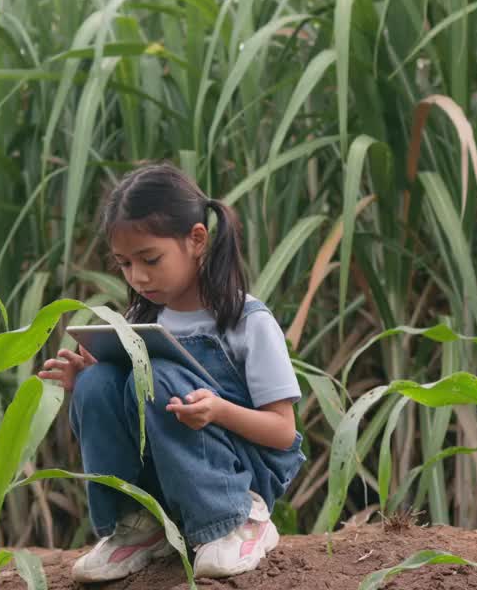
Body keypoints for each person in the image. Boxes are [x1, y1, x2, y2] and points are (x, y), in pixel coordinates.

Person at [39, 163, 305, 582]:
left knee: (159, 376)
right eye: (124, 264)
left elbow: (283, 432)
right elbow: (122, 400)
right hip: (168, 470)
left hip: (244, 468)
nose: (137, 277)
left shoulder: (246, 320)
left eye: (150, 259)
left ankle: (238, 519)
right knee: (97, 382)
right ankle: (139, 524)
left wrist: (218, 410)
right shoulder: (139, 318)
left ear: (197, 239)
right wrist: (87, 383)